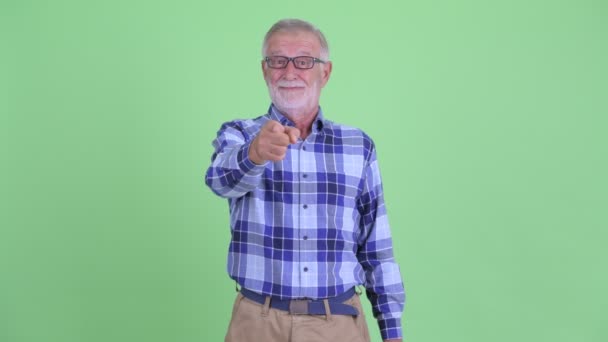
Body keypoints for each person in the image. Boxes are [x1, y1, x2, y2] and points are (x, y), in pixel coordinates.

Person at [205, 18, 405, 342]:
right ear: (264, 70)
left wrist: (392, 330)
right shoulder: (239, 135)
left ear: (324, 72)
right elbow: (218, 180)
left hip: (339, 323)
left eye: (304, 61)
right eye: (277, 60)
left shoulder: (359, 146)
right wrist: (255, 154)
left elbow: (377, 249)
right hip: (257, 323)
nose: (289, 72)